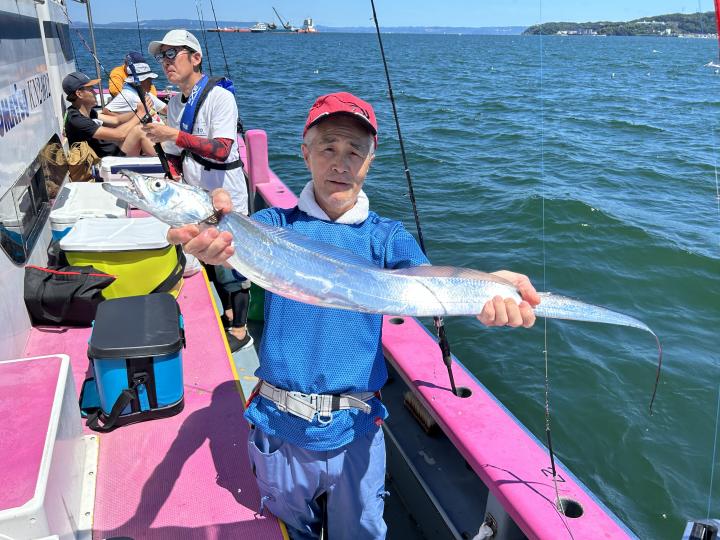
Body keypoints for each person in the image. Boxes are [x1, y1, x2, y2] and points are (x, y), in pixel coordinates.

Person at [167, 91, 540, 539]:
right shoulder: (274, 226)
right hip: (279, 428)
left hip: (357, 430)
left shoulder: (386, 237)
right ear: (305, 153)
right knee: (289, 532)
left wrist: (487, 287)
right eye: (328, 148)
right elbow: (230, 243)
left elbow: (427, 285)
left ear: (369, 161)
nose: (340, 164)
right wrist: (212, 241)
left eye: (354, 152)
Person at [142, 29, 251, 351]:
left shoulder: (221, 98)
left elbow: (221, 149)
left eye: (171, 53)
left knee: (232, 262)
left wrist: (171, 135)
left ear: (196, 58)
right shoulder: (175, 103)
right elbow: (177, 153)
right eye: (161, 56)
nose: (166, 62)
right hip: (194, 195)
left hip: (225, 194)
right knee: (208, 255)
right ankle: (227, 312)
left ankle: (241, 330)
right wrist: (171, 167)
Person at [62, 71, 156, 158]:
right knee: (140, 131)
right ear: (79, 94)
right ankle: (161, 163)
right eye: (91, 89)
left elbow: (116, 120)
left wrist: (138, 111)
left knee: (138, 127)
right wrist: (140, 114)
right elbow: (120, 134)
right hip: (107, 160)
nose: (95, 92)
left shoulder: (87, 112)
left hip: (112, 152)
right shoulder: (76, 119)